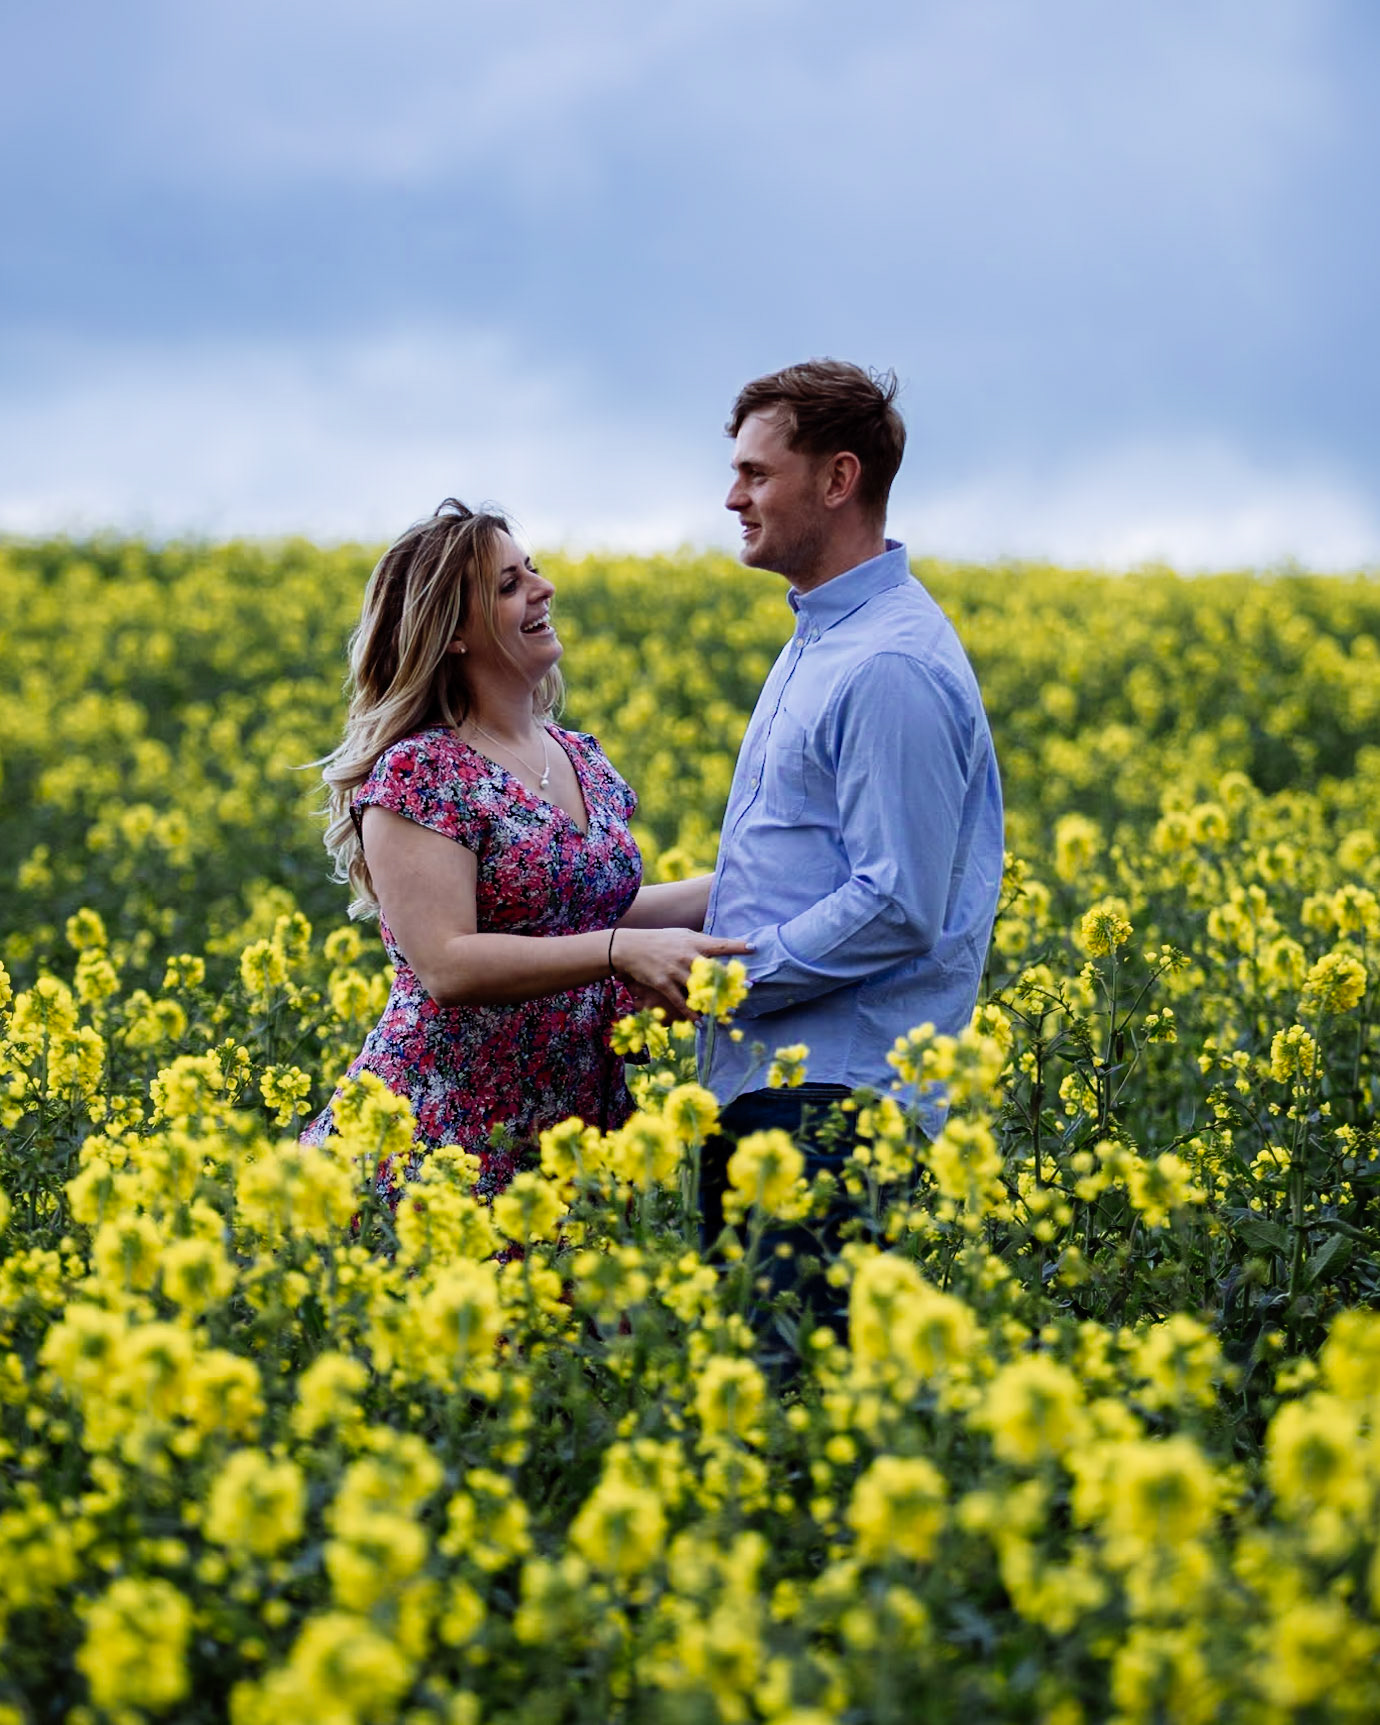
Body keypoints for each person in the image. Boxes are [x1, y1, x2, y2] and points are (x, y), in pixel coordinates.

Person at [302, 498, 749, 1197]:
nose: (542, 589)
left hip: (572, 1141)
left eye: (531, 570)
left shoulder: (578, 756)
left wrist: (742, 886)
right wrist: (618, 953)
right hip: (440, 1146)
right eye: (508, 584)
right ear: (453, 633)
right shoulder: (422, 771)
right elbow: (447, 961)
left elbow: (593, 913)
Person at [700, 360, 1004, 1253]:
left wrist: (725, 983)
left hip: (834, 1105)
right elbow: (797, 866)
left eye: (758, 474)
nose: (732, 497)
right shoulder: (826, 639)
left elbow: (895, 900)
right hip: (778, 1094)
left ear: (838, 480)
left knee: (798, 1381)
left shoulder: (885, 664)